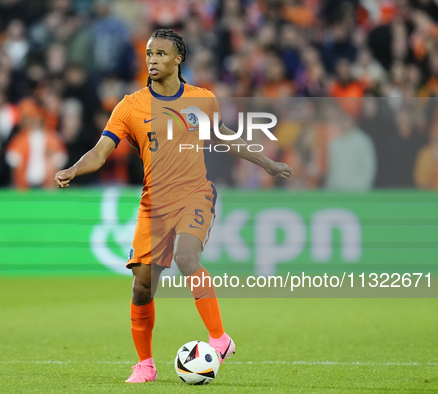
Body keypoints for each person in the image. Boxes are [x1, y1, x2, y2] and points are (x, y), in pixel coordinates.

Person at [54, 29, 293, 383]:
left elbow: (227, 138)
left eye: (161, 54)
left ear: (178, 59)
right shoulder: (130, 105)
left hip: (195, 193)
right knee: (142, 287)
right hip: (155, 203)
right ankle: (145, 365)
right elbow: (101, 152)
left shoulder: (202, 99)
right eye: (149, 54)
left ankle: (219, 338)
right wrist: (74, 168)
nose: (152, 60)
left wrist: (267, 163)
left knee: (186, 258)